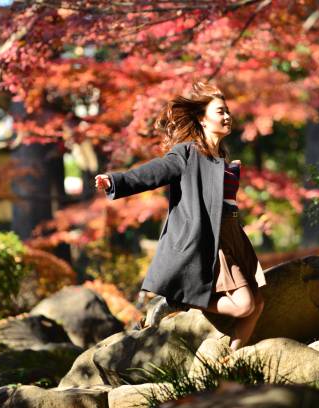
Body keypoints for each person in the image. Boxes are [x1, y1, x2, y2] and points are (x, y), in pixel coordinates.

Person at [95, 82, 266, 350]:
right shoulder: (187, 153)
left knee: (258, 303)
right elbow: (156, 171)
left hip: (234, 235)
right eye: (220, 111)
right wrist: (116, 180)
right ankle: (179, 301)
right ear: (202, 118)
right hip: (211, 238)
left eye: (228, 111)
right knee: (244, 304)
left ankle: (229, 361)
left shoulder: (222, 156)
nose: (227, 116)